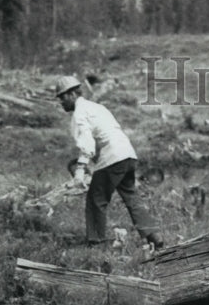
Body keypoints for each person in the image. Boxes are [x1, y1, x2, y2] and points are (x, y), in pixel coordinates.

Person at [54, 75, 164, 249]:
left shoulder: (79, 113)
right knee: (131, 196)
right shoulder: (97, 107)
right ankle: (154, 236)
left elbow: (87, 140)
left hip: (112, 156)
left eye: (62, 97)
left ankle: (96, 243)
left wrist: (81, 168)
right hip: (127, 153)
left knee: (96, 199)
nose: (61, 102)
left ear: (72, 94)